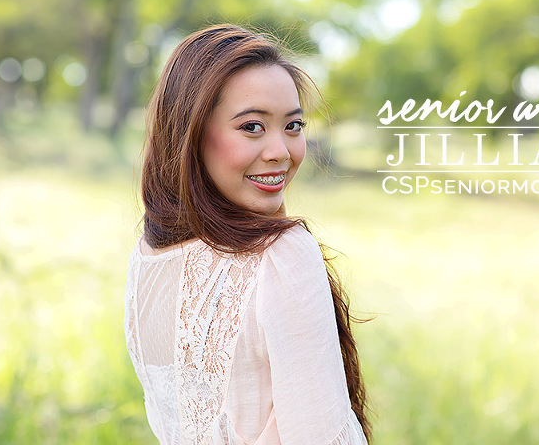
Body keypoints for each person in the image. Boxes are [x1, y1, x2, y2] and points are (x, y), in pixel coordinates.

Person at [124, 24, 371, 444]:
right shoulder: (281, 253)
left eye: (293, 126)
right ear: (190, 134)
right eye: (252, 126)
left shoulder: (146, 258)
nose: (281, 150)